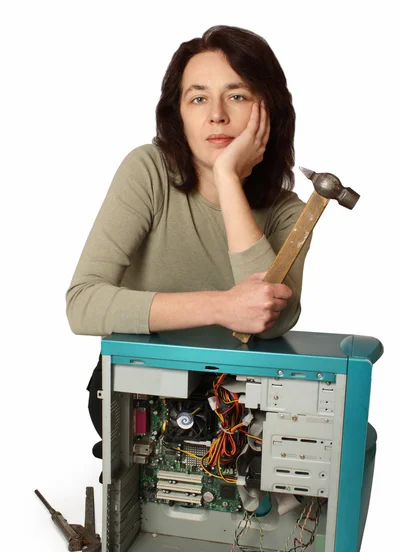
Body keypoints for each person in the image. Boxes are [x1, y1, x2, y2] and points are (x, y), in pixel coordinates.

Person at [66, 25, 312, 455]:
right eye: (198, 98)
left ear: (268, 109)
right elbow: (82, 304)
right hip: (136, 396)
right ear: (177, 115)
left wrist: (226, 179)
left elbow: (270, 320)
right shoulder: (148, 171)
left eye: (237, 96)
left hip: (241, 404)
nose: (216, 115)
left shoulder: (290, 211)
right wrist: (222, 306)